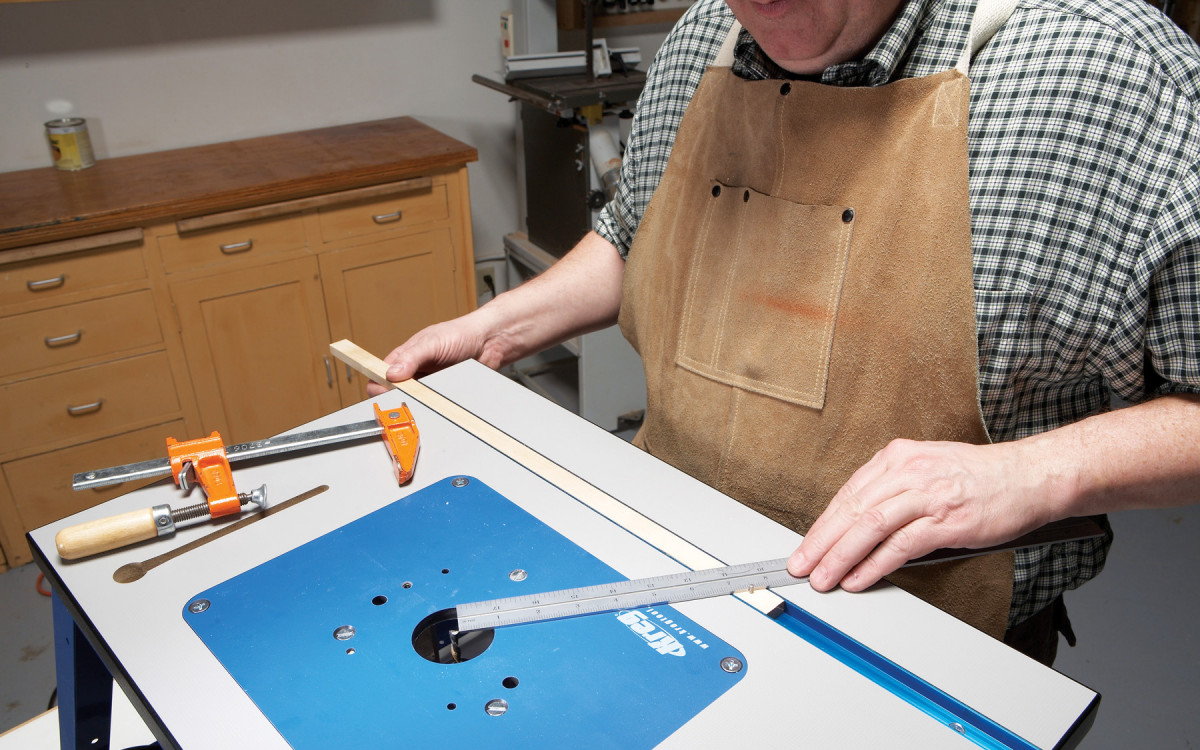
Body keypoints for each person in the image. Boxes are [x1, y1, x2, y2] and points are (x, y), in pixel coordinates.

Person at [371, 0, 1200, 666]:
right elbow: (634, 234)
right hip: (670, 594)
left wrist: (1038, 472)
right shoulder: (708, 34)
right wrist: (493, 327)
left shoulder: (1106, 72)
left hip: (937, 653)